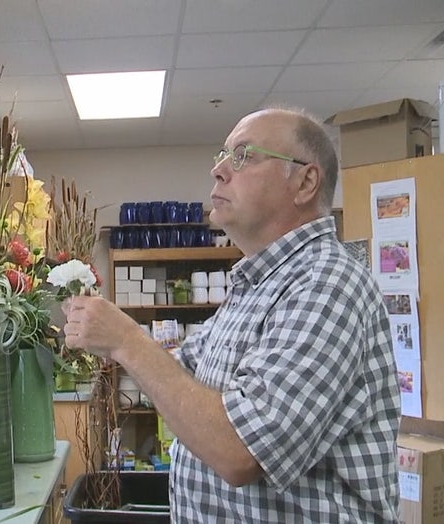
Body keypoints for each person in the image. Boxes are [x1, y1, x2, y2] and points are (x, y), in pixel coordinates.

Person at [62, 107, 401, 522]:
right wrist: (104, 337)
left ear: (305, 181)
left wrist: (127, 340)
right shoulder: (255, 287)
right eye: (222, 155)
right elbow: (177, 375)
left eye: (244, 156)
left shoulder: (328, 284)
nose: (219, 171)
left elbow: (241, 450)